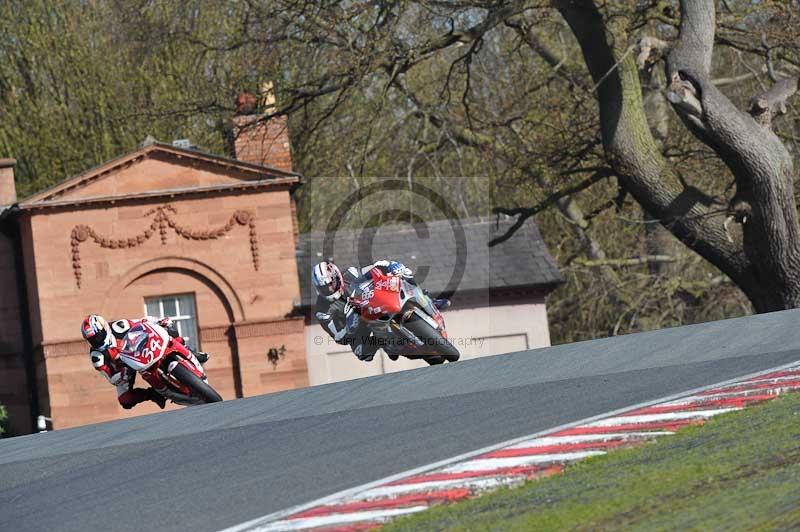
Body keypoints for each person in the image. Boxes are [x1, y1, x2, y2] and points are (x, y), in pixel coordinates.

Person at [311, 260, 449, 362]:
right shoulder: (322, 311)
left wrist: (391, 265)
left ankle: (427, 299)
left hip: (373, 302)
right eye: (324, 288)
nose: (329, 289)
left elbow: (376, 266)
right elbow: (338, 337)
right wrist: (349, 326)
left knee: (402, 276)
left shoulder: (351, 273)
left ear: (337, 276)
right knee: (362, 352)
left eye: (331, 284)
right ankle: (387, 345)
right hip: (360, 326)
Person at [81, 314, 208, 410]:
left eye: (97, 336)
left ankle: (191, 352)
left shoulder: (120, 326)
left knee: (170, 331)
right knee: (125, 400)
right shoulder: (97, 356)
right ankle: (153, 394)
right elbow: (110, 377)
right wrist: (121, 376)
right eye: (92, 339)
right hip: (124, 369)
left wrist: (160, 321)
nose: (96, 341)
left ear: (104, 329)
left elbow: (143, 321)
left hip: (139, 350)